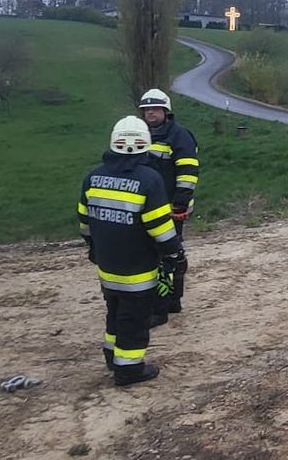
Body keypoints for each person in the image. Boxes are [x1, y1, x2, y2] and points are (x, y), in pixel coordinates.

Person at [78, 116, 186, 387]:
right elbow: (160, 227)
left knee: (114, 311)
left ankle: (112, 355)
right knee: (134, 317)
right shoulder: (149, 179)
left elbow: (84, 221)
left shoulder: (94, 176)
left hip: (107, 264)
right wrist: (175, 255)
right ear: (145, 144)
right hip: (138, 267)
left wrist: (94, 248)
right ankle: (129, 370)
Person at [138, 88, 199, 322]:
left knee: (168, 256)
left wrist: (180, 204)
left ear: (166, 111)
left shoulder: (179, 135)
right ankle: (170, 301)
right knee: (159, 255)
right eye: (146, 109)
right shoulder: (142, 134)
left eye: (154, 109)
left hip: (172, 209)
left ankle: (164, 306)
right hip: (148, 208)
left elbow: (188, 171)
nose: (150, 113)